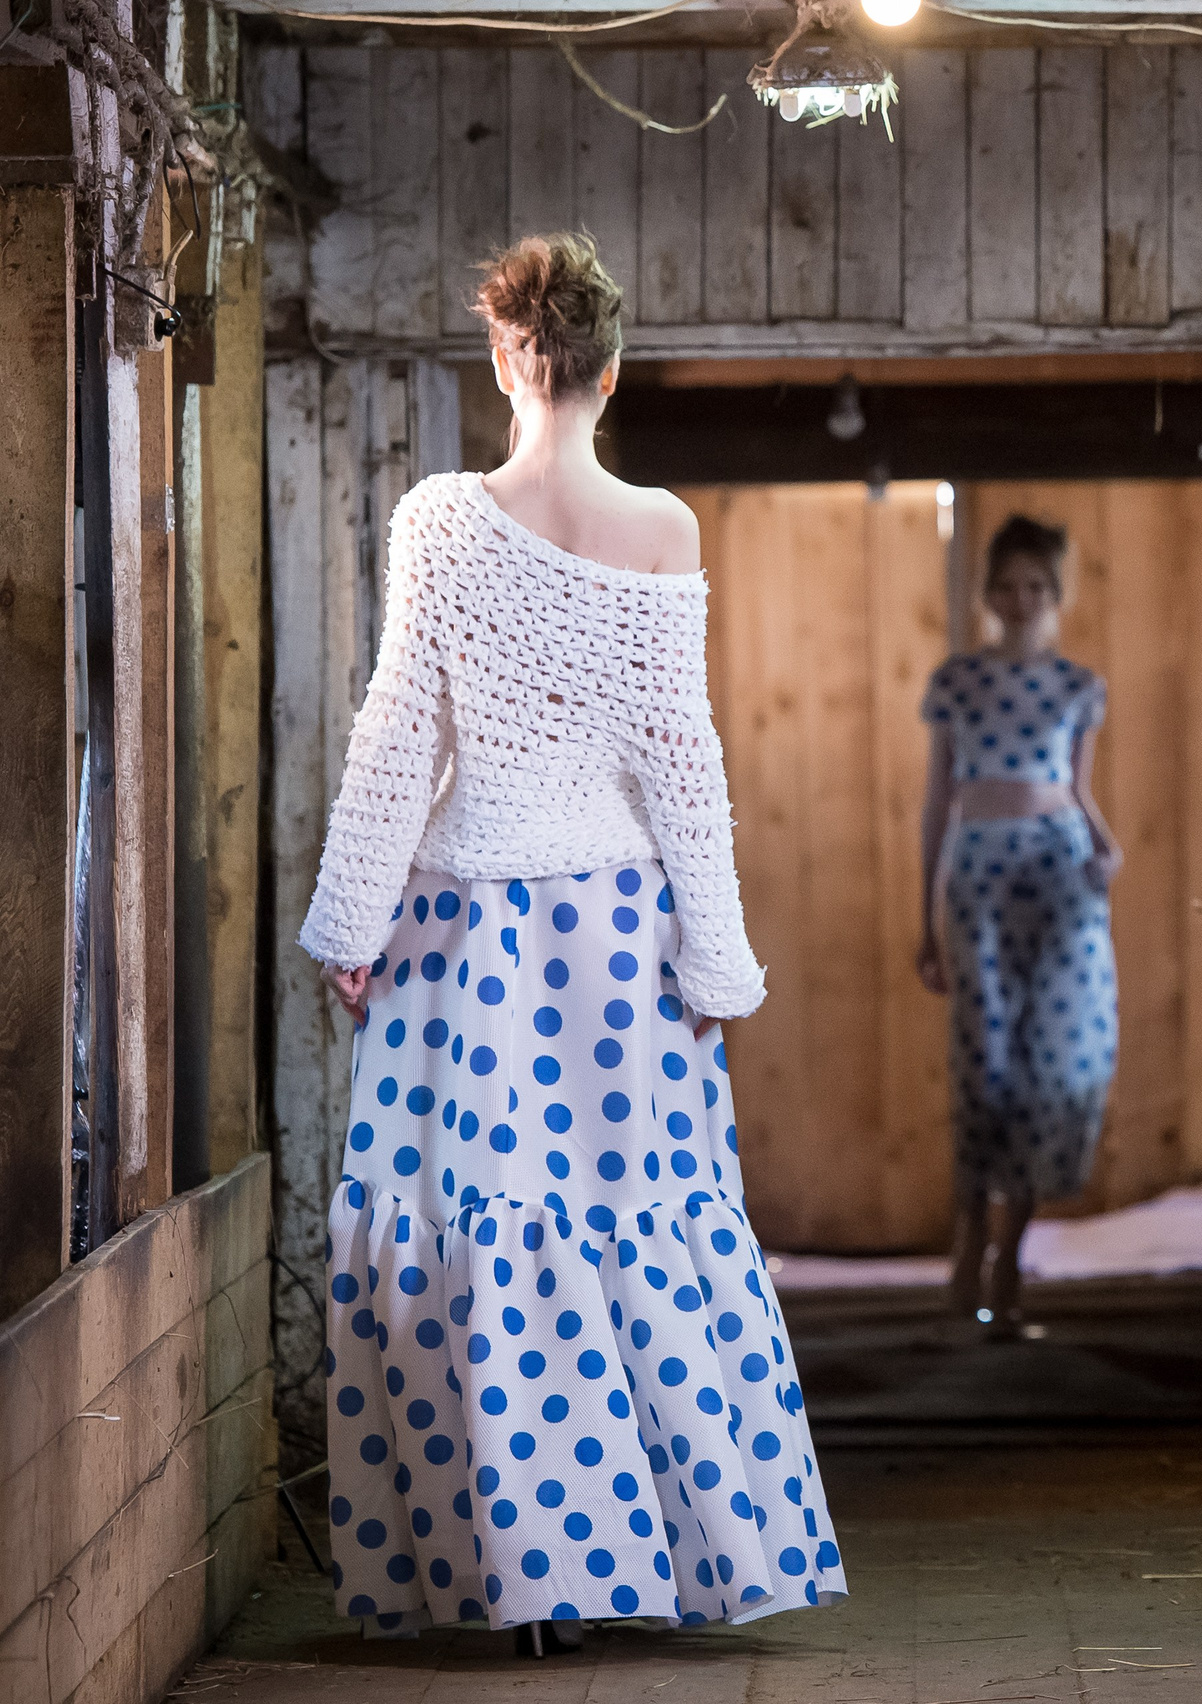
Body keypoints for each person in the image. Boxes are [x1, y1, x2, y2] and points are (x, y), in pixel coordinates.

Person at [296, 232, 844, 1656]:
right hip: (613, 948)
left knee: (473, 1248)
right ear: (614, 369)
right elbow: (683, 771)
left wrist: (351, 923)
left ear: (505, 359)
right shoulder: (666, 531)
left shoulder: (439, 521)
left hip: (462, 941)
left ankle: (512, 1580)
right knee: (632, 1229)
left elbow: (400, 728)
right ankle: (638, 1563)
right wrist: (718, 968)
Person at [915, 518, 1124, 1338]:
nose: (1020, 601)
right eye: (1006, 586)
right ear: (988, 594)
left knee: (1059, 1059)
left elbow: (1076, 789)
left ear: (1055, 595)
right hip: (979, 876)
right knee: (984, 1059)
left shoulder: (1079, 686)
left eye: (1035, 587)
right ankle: (967, 1241)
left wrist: (1107, 848)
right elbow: (937, 803)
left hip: (1061, 873)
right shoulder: (956, 682)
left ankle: (1011, 1256)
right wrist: (924, 921)